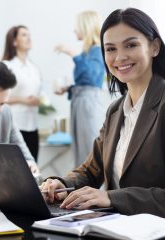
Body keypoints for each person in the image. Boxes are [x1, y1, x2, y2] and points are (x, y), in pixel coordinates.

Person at [41, 8, 165, 239]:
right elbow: (91, 170)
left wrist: (112, 197)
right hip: (124, 230)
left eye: (130, 45)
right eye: (110, 49)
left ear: (154, 47)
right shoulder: (116, 110)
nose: (119, 57)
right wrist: (59, 184)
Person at [54, 10, 106, 167]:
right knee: (80, 150)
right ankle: (81, 188)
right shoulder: (88, 51)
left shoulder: (97, 49)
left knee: (88, 150)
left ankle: (93, 190)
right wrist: (68, 89)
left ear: (86, 27)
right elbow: (86, 81)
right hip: (80, 101)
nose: (74, 30)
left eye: (77, 26)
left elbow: (91, 77)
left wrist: (72, 54)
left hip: (87, 104)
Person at [2, 25, 42, 162]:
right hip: (16, 126)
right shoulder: (7, 66)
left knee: (33, 170)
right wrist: (23, 100)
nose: (28, 37)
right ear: (14, 41)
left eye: (29, 34)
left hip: (33, 126)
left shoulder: (34, 68)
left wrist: (38, 100)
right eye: (24, 35)